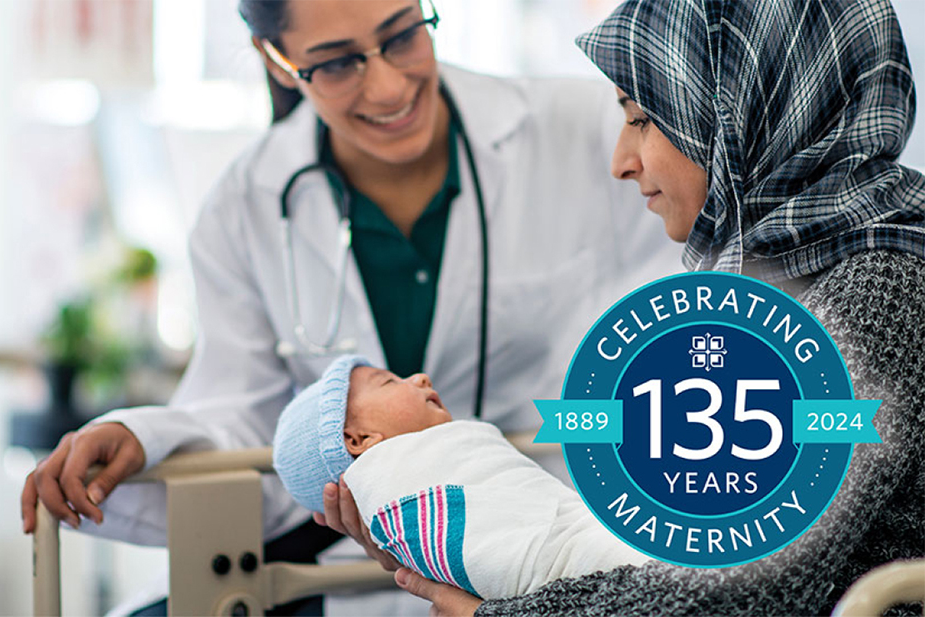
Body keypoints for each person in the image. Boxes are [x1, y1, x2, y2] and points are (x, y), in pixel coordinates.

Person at [19, 0, 679, 613]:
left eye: (401, 34)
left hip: (570, 540)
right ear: (274, 55)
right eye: (336, 63)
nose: (389, 87)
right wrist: (147, 438)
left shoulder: (588, 133)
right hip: (360, 577)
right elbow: (255, 422)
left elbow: (677, 342)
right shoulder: (243, 207)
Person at [390, 0, 925, 614]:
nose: (622, 161)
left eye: (642, 119)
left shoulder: (877, 295)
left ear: (737, 114)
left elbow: (743, 587)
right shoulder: (793, 286)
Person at [272, 355, 650, 601]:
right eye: (389, 383)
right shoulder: (403, 498)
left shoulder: (450, 453)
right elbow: (508, 557)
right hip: (563, 561)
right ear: (359, 440)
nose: (419, 377)